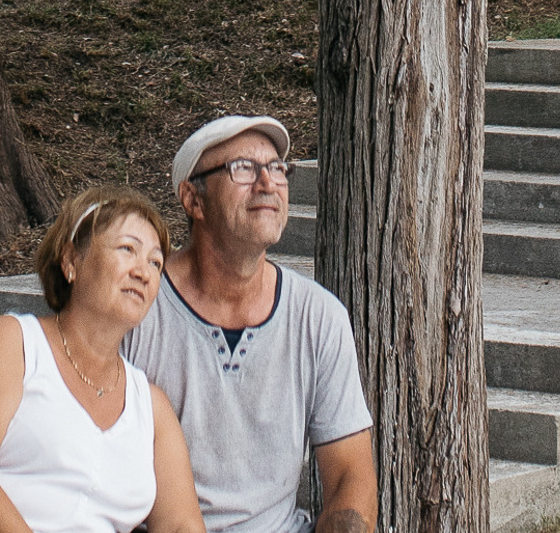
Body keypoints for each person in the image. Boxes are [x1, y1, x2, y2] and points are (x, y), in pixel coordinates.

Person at [0, 186, 207, 533]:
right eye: (127, 249)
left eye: (155, 262)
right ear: (71, 261)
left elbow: (182, 525)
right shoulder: (13, 344)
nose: (143, 272)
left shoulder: (151, 407)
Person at [123, 115, 376, 533]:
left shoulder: (319, 316)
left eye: (277, 168)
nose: (267, 183)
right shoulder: (138, 308)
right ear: (193, 200)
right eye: (243, 168)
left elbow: (352, 473)